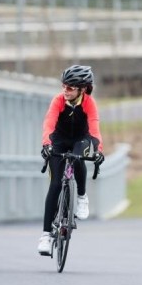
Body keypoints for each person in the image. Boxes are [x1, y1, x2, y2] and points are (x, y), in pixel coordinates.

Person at [37, 65, 105, 256]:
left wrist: (98, 150)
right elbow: (49, 123)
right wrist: (46, 144)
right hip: (58, 140)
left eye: (70, 88)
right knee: (56, 184)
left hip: (80, 139)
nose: (65, 91)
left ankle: (82, 197)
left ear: (82, 89)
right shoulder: (58, 100)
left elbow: (94, 128)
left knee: (78, 158)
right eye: (63, 86)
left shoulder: (89, 103)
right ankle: (46, 235)